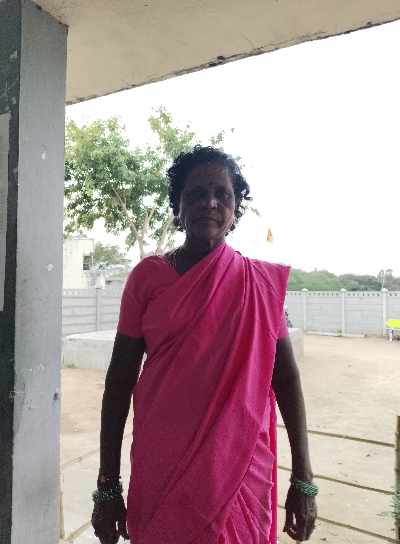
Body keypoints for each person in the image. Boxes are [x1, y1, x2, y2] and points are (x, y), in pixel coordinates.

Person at [91, 146, 317, 544]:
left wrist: (304, 478)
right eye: (195, 193)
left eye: (221, 194)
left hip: (241, 474)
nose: (209, 203)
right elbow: (119, 380)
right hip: (163, 467)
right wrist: (108, 485)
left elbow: (286, 379)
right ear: (177, 208)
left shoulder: (259, 284)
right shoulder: (148, 278)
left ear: (235, 209)